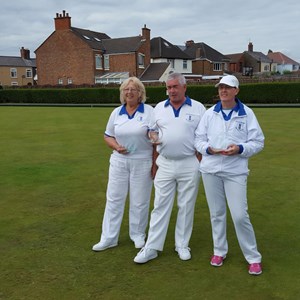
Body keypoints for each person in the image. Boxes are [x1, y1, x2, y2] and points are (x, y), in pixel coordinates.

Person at [194, 75, 264, 275]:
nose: (223, 91)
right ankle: (219, 251)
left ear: (236, 91)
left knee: (240, 215)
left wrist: (240, 148)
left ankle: (253, 257)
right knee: (216, 213)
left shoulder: (247, 114)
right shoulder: (209, 114)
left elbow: (258, 142)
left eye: (228, 87)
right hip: (210, 170)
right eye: (221, 87)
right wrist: (209, 149)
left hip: (235, 172)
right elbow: (198, 140)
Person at [134, 72, 206, 263]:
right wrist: (154, 157)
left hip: (189, 163)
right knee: (159, 205)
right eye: (169, 87)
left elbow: (204, 137)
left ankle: (182, 244)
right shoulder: (158, 108)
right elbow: (152, 133)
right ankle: (152, 247)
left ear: (184, 87)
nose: (171, 91)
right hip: (164, 162)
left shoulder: (198, 108)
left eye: (175, 87)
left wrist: (198, 161)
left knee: (186, 205)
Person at [92, 77, 154, 251]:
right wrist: (116, 146)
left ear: (140, 93)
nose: (129, 92)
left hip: (142, 160)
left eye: (133, 89)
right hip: (119, 161)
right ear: (122, 93)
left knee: (139, 200)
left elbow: (154, 135)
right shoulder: (116, 112)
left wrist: (154, 139)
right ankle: (109, 238)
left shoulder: (149, 111)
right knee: (114, 199)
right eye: (126, 89)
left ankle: (138, 235)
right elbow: (107, 135)